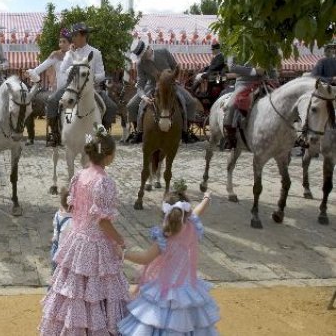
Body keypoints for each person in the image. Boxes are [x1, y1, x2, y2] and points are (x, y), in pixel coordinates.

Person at [39, 124, 130, 335]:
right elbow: (103, 221)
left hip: (76, 241)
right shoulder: (104, 182)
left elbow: (72, 206)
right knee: (97, 293)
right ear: (108, 156)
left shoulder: (79, 176)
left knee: (75, 292)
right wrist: (120, 240)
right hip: (96, 246)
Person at [118, 184, 220, 335]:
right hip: (188, 289)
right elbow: (200, 210)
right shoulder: (192, 226)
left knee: (155, 322)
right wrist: (206, 197)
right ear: (186, 213)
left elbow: (145, 258)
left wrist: (123, 253)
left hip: (163, 289)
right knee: (190, 325)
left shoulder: (164, 236)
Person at [43, 23, 106, 147]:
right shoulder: (70, 53)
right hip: (71, 86)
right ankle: (54, 133)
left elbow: (102, 74)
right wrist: (71, 60)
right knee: (51, 101)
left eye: (74, 36)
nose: (72, 39)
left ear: (83, 36)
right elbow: (62, 69)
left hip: (89, 87)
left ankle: (102, 135)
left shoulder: (96, 53)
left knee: (109, 106)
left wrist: (91, 77)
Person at [126, 39, 197, 143]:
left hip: (171, 85)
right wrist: (144, 97)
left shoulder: (163, 52)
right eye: (141, 55)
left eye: (143, 54)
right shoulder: (140, 64)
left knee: (191, 102)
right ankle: (139, 132)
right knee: (131, 106)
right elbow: (140, 84)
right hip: (152, 87)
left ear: (148, 49)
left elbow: (175, 66)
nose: (143, 57)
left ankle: (186, 131)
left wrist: (173, 78)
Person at [26, 27, 72, 146]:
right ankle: (54, 133)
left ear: (70, 43)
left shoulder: (77, 55)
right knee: (51, 100)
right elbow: (40, 68)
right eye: (60, 41)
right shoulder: (55, 55)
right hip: (61, 90)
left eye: (64, 42)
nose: (61, 44)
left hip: (76, 87)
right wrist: (31, 72)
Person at [222, 59, 272, 150]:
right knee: (231, 106)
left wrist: (266, 68)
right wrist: (254, 71)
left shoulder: (263, 45)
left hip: (263, 81)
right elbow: (232, 67)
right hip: (244, 83)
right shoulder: (233, 48)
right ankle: (230, 136)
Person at [49, 186, 72, 274]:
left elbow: (56, 228)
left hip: (56, 251)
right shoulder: (74, 220)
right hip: (67, 253)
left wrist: (54, 237)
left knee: (55, 275)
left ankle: (52, 286)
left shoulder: (58, 215)